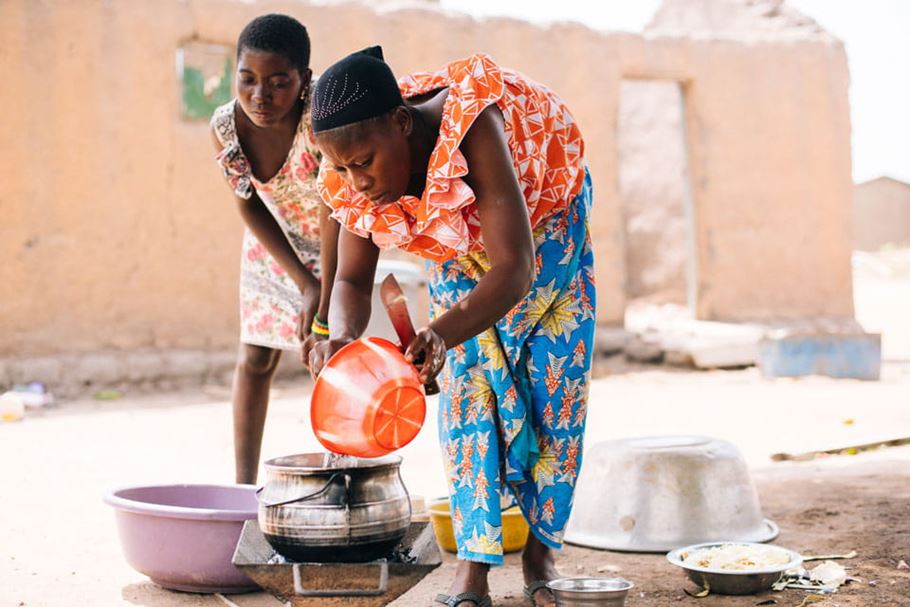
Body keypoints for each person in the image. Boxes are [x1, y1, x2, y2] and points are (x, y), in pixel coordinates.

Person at [307, 47, 595, 607]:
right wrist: (338, 340)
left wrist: (439, 331)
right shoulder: (355, 170)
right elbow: (349, 282)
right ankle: (473, 567)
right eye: (341, 168)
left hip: (544, 224)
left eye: (363, 162)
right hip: (451, 234)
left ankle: (541, 552)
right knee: (467, 387)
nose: (355, 182)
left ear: (401, 123)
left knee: (554, 386)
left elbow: (515, 269)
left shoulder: (474, 126)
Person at [210, 14, 338, 484]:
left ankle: (342, 477)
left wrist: (323, 288)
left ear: (305, 78)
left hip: (337, 237)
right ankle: (244, 486)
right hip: (273, 241)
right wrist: (303, 283)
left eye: (278, 82)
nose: (260, 95)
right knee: (256, 359)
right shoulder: (226, 127)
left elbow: (334, 205)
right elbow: (247, 205)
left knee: (330, 356)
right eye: (247, 79)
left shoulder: (321, 114)